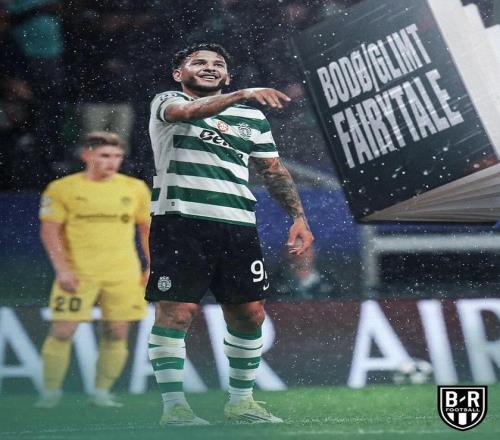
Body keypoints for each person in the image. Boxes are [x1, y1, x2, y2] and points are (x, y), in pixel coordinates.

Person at [146, 43, 314, 426]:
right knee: (177, 312)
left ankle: (241, 403)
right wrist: (243, 93)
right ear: (178, 74)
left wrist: (299, 218)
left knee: (250, 314)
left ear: (227, 75)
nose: (210, 67)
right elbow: (189, 113)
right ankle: (175, 408)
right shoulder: (168, 101)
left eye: (218, 64)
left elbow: (273, 171)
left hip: (237, 225)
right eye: (199, 62)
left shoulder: (251, 118)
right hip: (180, 221)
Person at [36, 131, 151, 408]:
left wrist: (152, 266)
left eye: (117, 156)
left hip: (123, 273)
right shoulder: (62, 188)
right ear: (86, 155)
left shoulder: (135, 188)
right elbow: (49, 232)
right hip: (78, 273)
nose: (112, 162)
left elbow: (147, 229)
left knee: (117, 332)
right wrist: (62, 269)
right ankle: (50, 394)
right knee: (63, 330)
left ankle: (101, 393)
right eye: (105, 155)